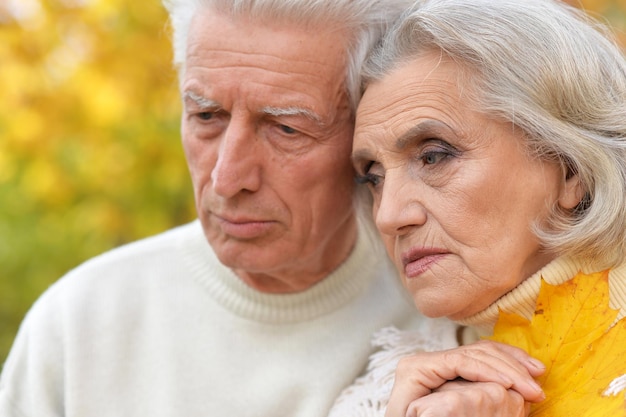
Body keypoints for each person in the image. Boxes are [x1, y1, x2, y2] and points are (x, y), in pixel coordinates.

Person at [0, 1, 443, 416]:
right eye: (206, 116)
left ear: (367, 134)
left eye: (286, 129)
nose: (227, 178)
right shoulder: (76, 327)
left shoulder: (447, 318)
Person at [329, 0, 626, 416]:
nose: (389, 216)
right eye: (373, 177)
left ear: (570, 168)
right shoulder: (385, 399)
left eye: (433, 156)